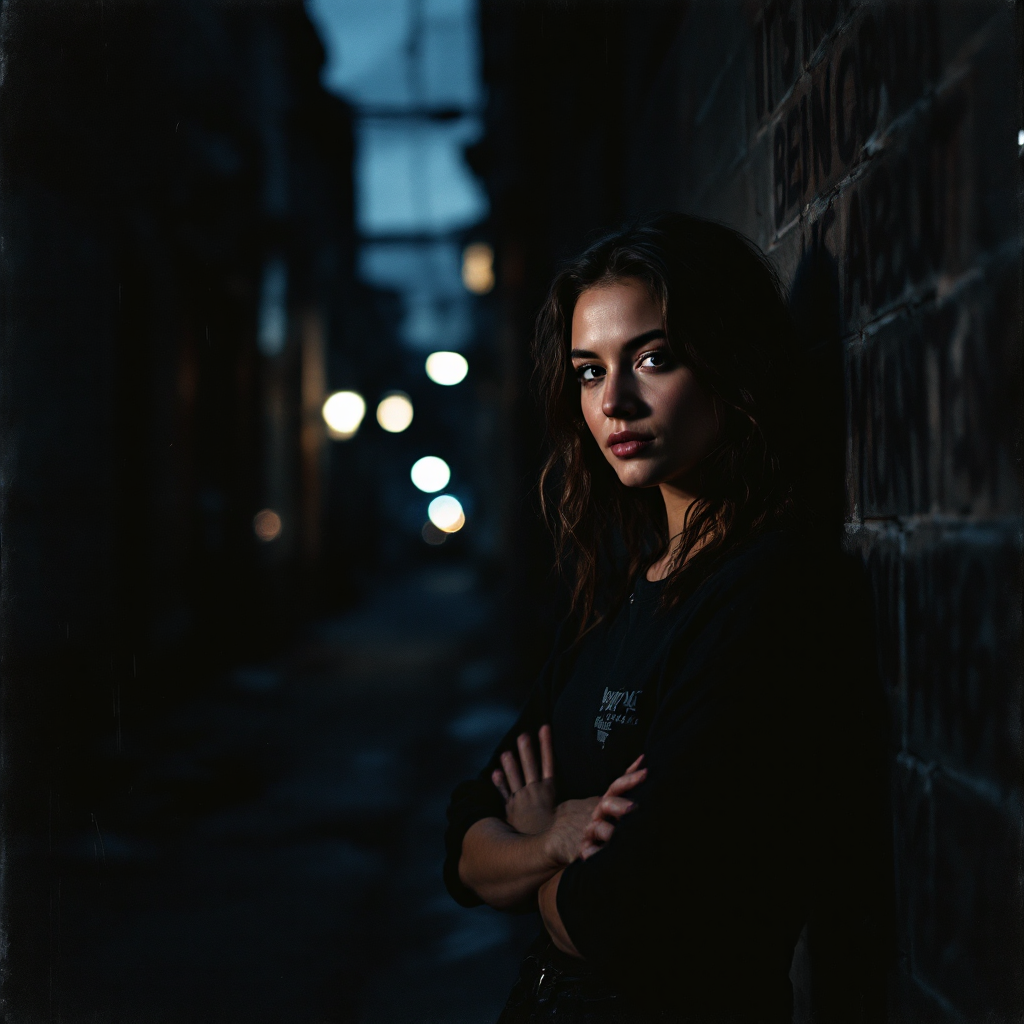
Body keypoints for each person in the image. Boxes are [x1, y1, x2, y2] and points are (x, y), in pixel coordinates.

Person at [443, 214, 890, 1023]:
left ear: (726, 362)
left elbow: (622, 917)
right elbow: (463, 840)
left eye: (653, 359)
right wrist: (551, 845)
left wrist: (529, 861)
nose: (614, 401)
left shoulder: (771, 596)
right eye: (587, 371)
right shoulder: (617, 595)